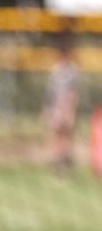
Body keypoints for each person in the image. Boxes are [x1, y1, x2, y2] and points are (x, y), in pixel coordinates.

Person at [45, 32, 79, 174]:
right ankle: (57, 162)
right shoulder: (56, 70)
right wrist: (47, 109)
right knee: (56, 136)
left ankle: (65, 162)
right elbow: (51, 93)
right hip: (56, 107)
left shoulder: (72, 71)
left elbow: (74, 93)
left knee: (66, 136)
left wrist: (70, 110)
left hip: (66, 107)